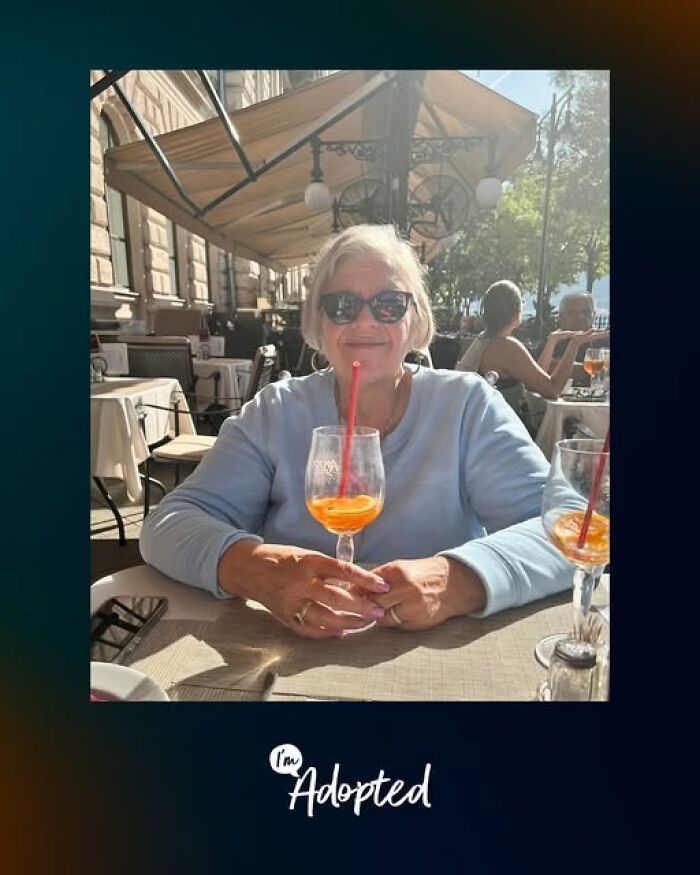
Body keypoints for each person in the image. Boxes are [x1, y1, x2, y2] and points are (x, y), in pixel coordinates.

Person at [140, 225, 574, 637]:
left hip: (435, 659)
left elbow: (567, 526)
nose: (365, 321)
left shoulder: (466, 406)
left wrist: (458, 579)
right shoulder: (276, 411)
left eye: (389, 304)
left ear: (415, 319)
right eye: (342, 305)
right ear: (318, 321)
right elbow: (168, 524)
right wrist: (257, 569)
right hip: (292, 649)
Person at [455, 280, 599, 401]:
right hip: (497, 424)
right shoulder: (506, 346)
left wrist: (551, 342)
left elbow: (534, 381)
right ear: (517, 314)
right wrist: (574, 345)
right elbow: (552, 390)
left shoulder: (484, 338)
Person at [536, 292, 610, 384]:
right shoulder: (551, 342)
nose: (580, 317)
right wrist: (594, 368)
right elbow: (546, 369)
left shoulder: (604, 340)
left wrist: (580, 368)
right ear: (561, 316)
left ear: (594, 314)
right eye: (573, 313)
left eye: (586, 312)